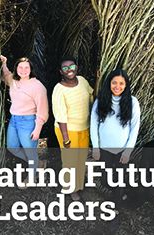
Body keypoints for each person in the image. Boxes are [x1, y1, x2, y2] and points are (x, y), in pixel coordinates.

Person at [90, 69, 140, 232]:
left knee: (117, 181)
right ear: (109, 84)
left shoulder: (132, 102)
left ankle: (115, 211)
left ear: (126, 85)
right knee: (104, 180)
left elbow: (134, 129)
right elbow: (93, 125)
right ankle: (122, 194)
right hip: (104, 149)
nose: (117, 86)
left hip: (121, 150)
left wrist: (127, 152)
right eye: (114, 83)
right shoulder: (101, 101)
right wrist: (96, 147)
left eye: (121, 83)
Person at [0, 55, 48, 189]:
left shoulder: (37, 86)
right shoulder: (14, 81)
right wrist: (4, 63)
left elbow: (43, 110)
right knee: (12, 147)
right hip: (14, 120)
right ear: (16, 69)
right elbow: (6, 74)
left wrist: (38, 128)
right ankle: (38, 164)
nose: (23, 70)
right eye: (20, 67)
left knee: (30, 152)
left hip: (28, 121)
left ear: (30, 69)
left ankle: (31, 177)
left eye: (26, 67)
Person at [52, 55, 93, 202]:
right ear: (61, 71)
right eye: (65, 68)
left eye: (71, 66)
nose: (69, 70)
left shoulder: (82, 81)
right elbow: (60, 116)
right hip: (67, 130)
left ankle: (79, 184)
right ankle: (71, 190)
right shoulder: (59, 89)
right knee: (70, 161)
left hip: (84, 127)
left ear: (76, 67)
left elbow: (92, 95)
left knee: (81, 158)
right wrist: (66, 139)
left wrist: (99, 79)